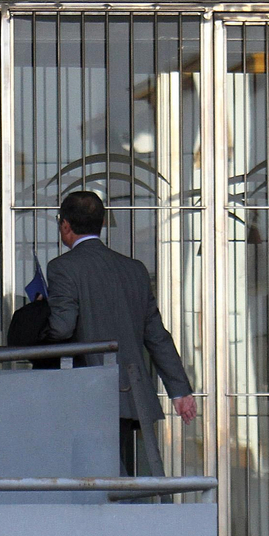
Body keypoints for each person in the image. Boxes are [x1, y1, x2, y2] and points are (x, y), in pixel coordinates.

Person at [42, 190, 196, 476]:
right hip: (130, 393)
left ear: (65, 225)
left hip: (84, 392)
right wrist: (180, 391)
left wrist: (39, 320)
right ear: (101, 224)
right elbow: (156, 335)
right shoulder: (134, 270)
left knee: (86, 478)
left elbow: (62, 328)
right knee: (123, 472)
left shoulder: (62, 268)